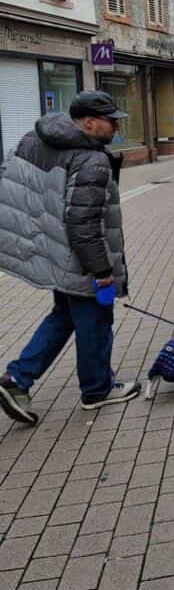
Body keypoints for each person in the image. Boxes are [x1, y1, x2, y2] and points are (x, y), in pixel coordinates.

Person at [0, 90, 141, 424]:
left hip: (55, 250)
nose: (115, 129)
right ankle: (97, 390)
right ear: (89, 122)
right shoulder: (91, 159)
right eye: (110, 122)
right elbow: (83, 220)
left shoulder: (35, 139)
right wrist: (102, 270)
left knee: (63, 316)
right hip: (80, 256)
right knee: (95, 320)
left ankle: (17, 379)